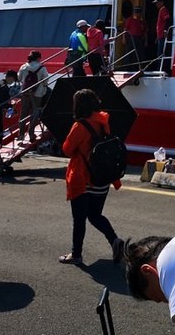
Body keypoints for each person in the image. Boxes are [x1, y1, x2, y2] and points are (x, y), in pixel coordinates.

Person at [58, 88, 124, 265]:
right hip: (101, 177)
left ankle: (76, 254)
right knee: (95, 215)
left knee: (79, 219)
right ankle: (115, 241)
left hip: (83, 178)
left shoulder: (79, 126)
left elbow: (67, 150)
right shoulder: (103, 121)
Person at [17, 50, 50, 142]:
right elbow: (46, 81)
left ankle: (21, 134)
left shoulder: (23, 67)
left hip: (25, 93)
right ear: (38, 58)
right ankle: (31, 134)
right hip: (38, 94)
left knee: (23, 113)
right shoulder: (42, 68)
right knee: (35, 113)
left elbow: (19, 78)